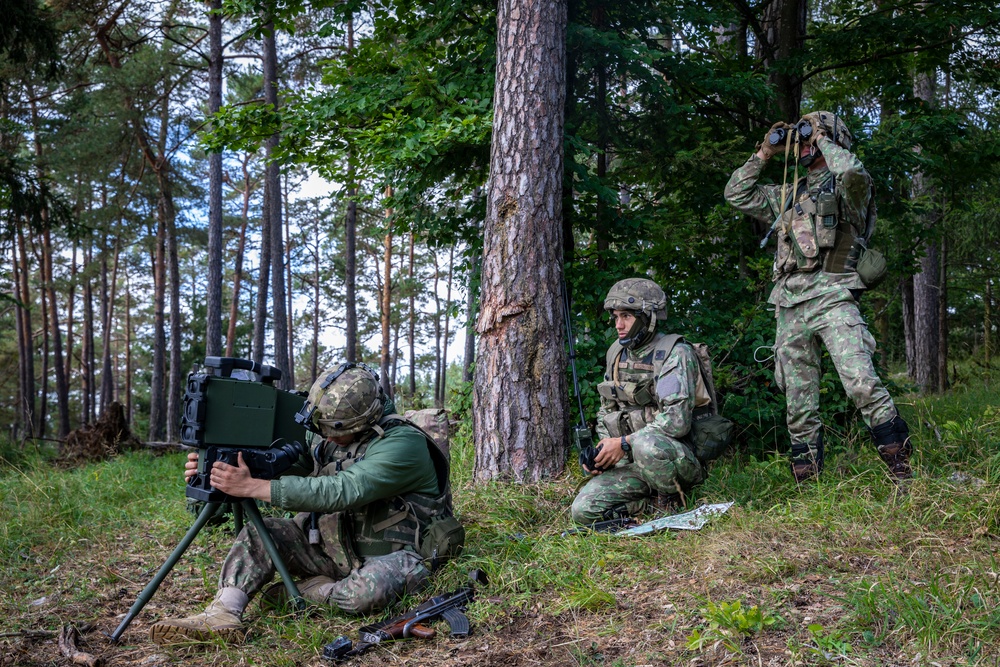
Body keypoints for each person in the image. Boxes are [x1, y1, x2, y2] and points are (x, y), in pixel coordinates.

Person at [149, 363, 461, 644]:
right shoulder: (333, 435)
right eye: (321, 428)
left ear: (364, 419)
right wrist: (223, 469)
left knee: (361, 596)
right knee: (264, 533)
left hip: (392, 556)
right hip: (331, 547)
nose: (326, 437)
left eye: (335, 431)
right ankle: (223, 613)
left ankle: (306, 592)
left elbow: (342, 490)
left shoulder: (404, 445)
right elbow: (300, 465)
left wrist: (254, 486)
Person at [724, 110, 913, 484]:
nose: (803, 144)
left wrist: (824, 136)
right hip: (790, 302)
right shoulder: (787, 193)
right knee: (798, 400)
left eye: (810, 137)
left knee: (860, 381)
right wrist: (764, 153)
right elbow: (736, 193)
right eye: (802, 139)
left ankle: (903, 472)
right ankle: (808, 486)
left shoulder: (850, 186)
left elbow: (852, 173)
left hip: (833, 294)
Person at [571, 278, 708, 524]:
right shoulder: (616, 354)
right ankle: (646, 505)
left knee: (646, 444)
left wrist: (623, 443)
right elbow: (607, 411)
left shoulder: (674, 354)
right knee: (582, 511)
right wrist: (603, 456)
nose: (619, 325)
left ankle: (672, 499)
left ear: (647, 317)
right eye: (615, 317)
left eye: (627, 316)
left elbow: (677, 422)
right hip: (633, 462)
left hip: (675, 458)